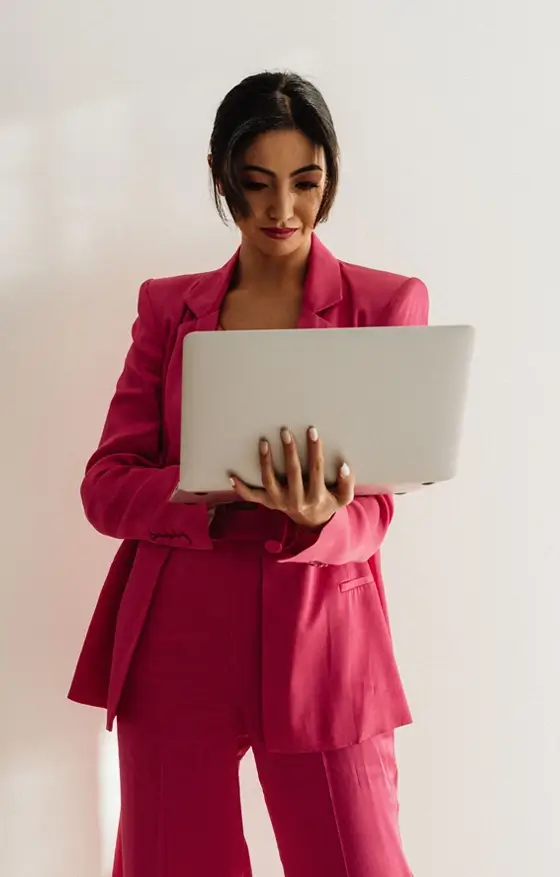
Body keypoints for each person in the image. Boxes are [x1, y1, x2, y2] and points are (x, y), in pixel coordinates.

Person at [69, 71, 429, 877]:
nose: (281, 211)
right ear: (221, 176)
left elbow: (381, 503)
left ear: (329, 176)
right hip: (176, 632)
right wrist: (213, 488)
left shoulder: (385, 304)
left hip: (324, 635)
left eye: (305, 183)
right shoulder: (169, 309)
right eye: (256, 184)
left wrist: (325, 516)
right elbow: (106, 483)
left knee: (357, 861)